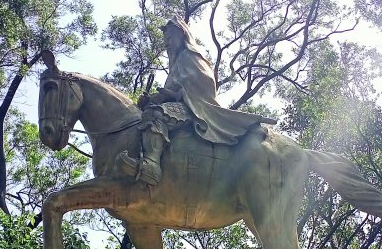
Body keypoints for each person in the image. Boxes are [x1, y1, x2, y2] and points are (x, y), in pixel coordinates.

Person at [117, 16, 276, 185]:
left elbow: (205, 84)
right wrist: (150, 100)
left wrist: (169, 95)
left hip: (194, 107)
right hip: (181, 105)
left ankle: (151, 165)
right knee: (147, 113)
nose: (167, 44)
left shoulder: (190, 56)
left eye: (170, 38)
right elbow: (171, 91)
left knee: (156, 114)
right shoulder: (176, 63)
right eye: (165, 41)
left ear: (181, 33)